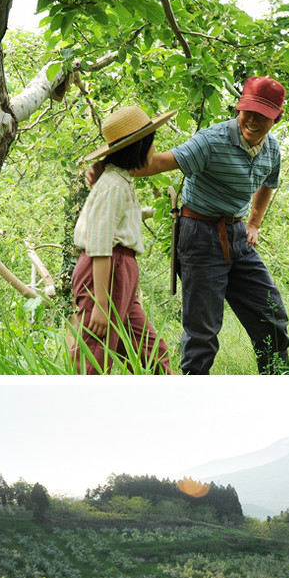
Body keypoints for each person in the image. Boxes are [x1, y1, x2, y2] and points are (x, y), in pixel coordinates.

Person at [92, 76, 289, 374]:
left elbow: (268, 184)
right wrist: (110, 166)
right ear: (239, 108)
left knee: (271, 314)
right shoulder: (212, 141)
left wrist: (254, 223)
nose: (252, 120)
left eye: (262, 115)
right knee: (203, 330)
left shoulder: (272, 149)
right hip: (200, 235)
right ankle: (192, 390)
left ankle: (278, 383)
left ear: (277, 117)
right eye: (248, 111)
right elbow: (160, 163)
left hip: (237, 235)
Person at [73, 105, 174, 375]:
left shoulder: (120, 181)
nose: (154, 150)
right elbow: (100, 245)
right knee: (96, 349)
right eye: (152, 143)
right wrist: (101, 304)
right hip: (106, 269)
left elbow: (119, 223)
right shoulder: (112, 186)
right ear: (139, 147)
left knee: (149, 350)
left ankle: (172, 391)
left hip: (120, 269)